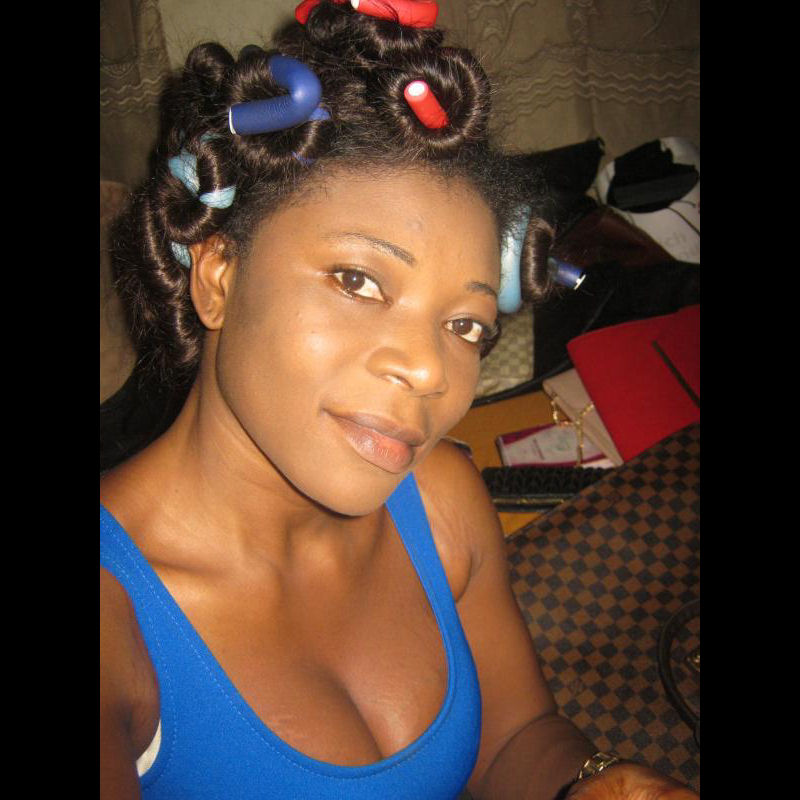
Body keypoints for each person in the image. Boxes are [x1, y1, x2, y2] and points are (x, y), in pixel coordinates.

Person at [99, 1, 700, 798]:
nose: (427, 369)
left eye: (464, 324)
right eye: (358, 280)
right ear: (217, 277)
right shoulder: (116, 623)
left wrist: (592, 783)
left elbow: (515, 737)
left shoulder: (443, 501)